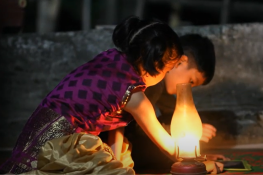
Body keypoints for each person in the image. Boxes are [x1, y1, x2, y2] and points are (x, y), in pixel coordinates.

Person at [0, 16, 223, 174]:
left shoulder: (112, 60)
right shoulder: (137, 97)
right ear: (155, 66)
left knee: (119, 162)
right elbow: (169, 146)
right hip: (61, 143)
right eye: (166, 71)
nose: (166, 75)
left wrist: (117, 159)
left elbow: (114, 121)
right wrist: (201, 164)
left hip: (39, 126)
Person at [126, 34, 226, 173]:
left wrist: (194, 156)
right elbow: (138, 126)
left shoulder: (163, 88)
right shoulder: (152, 80)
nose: (188, 88)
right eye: (191, 81)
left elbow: (176, 115)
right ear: (181, 61)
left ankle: (184, 160)